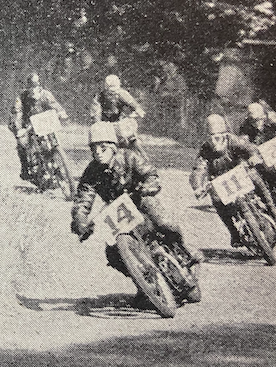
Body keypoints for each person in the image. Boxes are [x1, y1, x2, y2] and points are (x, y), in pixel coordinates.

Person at [72, 122, 203, 304]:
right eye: (94, 149)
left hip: (141, 200)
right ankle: (144, 283)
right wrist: (80, 220)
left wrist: (148, 186)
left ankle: (185, 251)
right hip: (118, 211)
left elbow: (151, 174)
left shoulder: (129, 157)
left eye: (103, 147)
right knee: (113, 254)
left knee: (164, 222)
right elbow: (83, 198)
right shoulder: (91, 172)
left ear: (113, 147)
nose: (99, 152)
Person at [191, 114, 276, 245]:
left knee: (254, 175)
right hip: (220, 181)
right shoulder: (205, 149)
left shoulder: (233, 140)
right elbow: (199, 169)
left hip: (239, 173)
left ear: (225, 132)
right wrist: (198, 186)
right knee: (217, 202)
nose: (216, 140)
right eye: (212, 136)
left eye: (219, 135)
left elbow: (249, 147)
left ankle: (272, 208)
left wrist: (253, 156)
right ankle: (234, 233)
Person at [9, 72, 69, 181]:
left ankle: (59, 163)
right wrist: (18, 128)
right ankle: (25, 169)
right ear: (27, 86)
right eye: (31, 85)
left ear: (39, 84)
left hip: (44, 122)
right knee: (23, 143)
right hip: (28, 125)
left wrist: (61, 112)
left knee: (53, 139)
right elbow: (17, 112)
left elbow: (54, 105)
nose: (33, 88)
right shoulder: (22, 97)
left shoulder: (45, 94)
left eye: (35, 85)